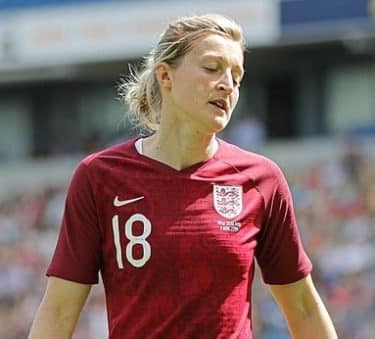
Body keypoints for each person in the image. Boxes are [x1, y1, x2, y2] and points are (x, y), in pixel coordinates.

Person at [28, 14, 337, 339]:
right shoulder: (98, 178)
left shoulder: (261, 180)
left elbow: (303, 307)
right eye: (212, 68)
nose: (228, 85)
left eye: (237, 75)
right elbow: (59, 311)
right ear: (165, 75)